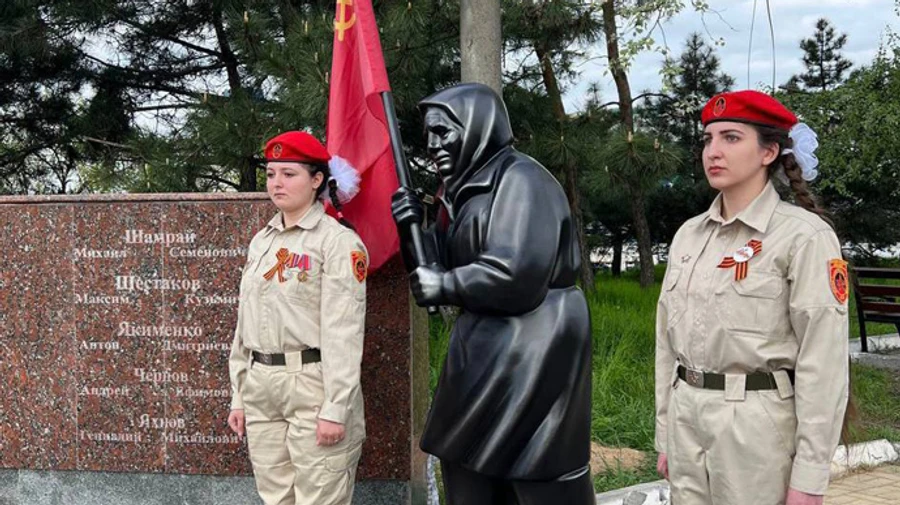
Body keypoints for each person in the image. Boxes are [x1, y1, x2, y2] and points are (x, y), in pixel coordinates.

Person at [391, 83, 595, 505]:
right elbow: (437, 268)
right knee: (466, 463)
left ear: (477, 126)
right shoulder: (459, 192)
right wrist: (413, 232)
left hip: (533, 348)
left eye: (442, 132)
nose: (431, 145)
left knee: (535, 464)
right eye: (428, 135)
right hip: (483, 346)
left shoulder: (521, 180)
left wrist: (445, 285)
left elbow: (517, 274)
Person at [655, 90, 850, 505]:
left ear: (769, 152)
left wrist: (810, 477)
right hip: (688, 419)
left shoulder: (803, 236)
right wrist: (665, 433)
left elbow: (824, 362)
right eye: (708, 139)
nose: (713, 151)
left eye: (731, 137)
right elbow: (666, 344)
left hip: (757, 430)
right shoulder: (689, 235)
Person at [226, 131, 368, 505]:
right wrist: (239, 395)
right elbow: (246, 323)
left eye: (289, 174)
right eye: (271, 174)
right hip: (262, 385)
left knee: (319, 498)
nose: (277, 183)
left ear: (317, 179)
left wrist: (336, 408)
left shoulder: (337, 243)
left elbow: (344, 331)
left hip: (312, 384)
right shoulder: (263, 241)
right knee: (275, 498)